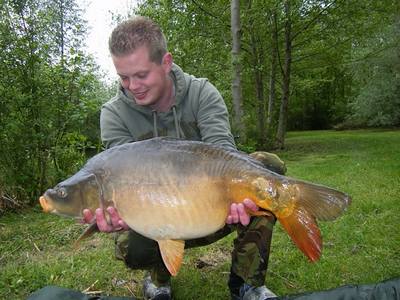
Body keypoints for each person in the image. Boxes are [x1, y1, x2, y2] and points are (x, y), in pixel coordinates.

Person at [82, 16, 285, 300]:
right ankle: (159, 278)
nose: (133, 85)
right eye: (123, 77)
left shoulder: (201, 93)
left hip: (211, 204)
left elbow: (226, 155)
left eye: (141, 75)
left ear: (165, 63)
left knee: (267, 169)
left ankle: (246, 283)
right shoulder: (114, 113)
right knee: (133, 246)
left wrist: (236, 199)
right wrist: (113, 211)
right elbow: (118, 179)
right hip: (151, 209)